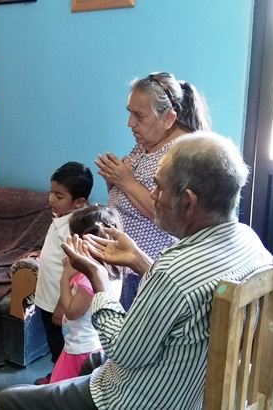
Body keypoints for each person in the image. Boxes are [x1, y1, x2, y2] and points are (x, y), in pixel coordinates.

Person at [0, 132, 272, 410]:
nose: (153, 196)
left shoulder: (174, 272)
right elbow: (185, 300)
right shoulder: (250, 242)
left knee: (8, 401)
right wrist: (138, 260)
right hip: (188, 384)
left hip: (141, 398)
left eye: (158, 187)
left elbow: (123, 352)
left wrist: (98, 278)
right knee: (91, 362)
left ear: (188, 201)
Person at [96, 72, 211, 311]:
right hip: (124, 265)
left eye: (139, 115)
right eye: (129, 112)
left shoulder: (182, 153)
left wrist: (126, 181)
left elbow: (170, 215)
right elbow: (132, 196)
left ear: (169, 118)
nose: (130, 123)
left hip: (146, 269)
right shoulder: (146, 143)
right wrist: (114, 182)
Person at [27, 161, 93, 385]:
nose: (51, 199)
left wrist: (60, 306)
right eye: (51, 192)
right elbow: (59, 253)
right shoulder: (62, 217)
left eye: (59, 195)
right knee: (53, 340)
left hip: (58, 301)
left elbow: (75, 270)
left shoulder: (73, 227)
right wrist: (43, 254)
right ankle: (57, 373)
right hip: (47, 296)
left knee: (60, 344)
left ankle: (61, 381)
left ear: (79, 202)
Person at [48, 205, 122, 384]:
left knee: (63, 393)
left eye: (71, 236)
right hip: (83, 345)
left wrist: (64, 277)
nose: (67, 241)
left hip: (82, 350)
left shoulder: (89, 279)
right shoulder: (111, 268)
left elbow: (72, 313)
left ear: (83, 242)